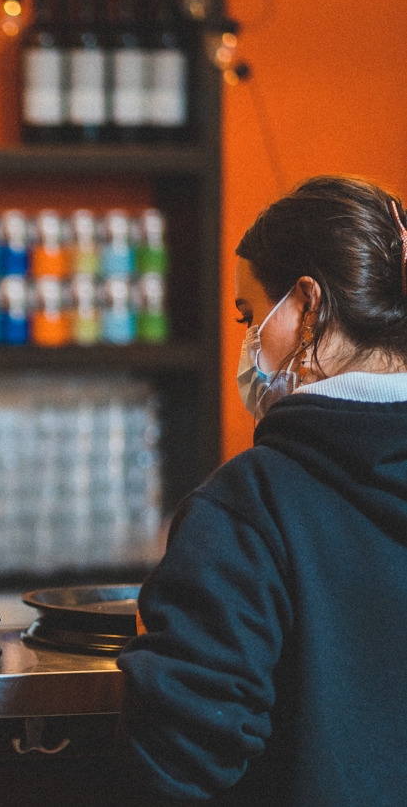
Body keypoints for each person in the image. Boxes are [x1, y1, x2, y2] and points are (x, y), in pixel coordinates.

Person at [117, 175, 407, 806]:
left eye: (251, 317)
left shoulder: (248, 506)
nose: (248, 347)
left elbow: (181, 762)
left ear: (309, 304)